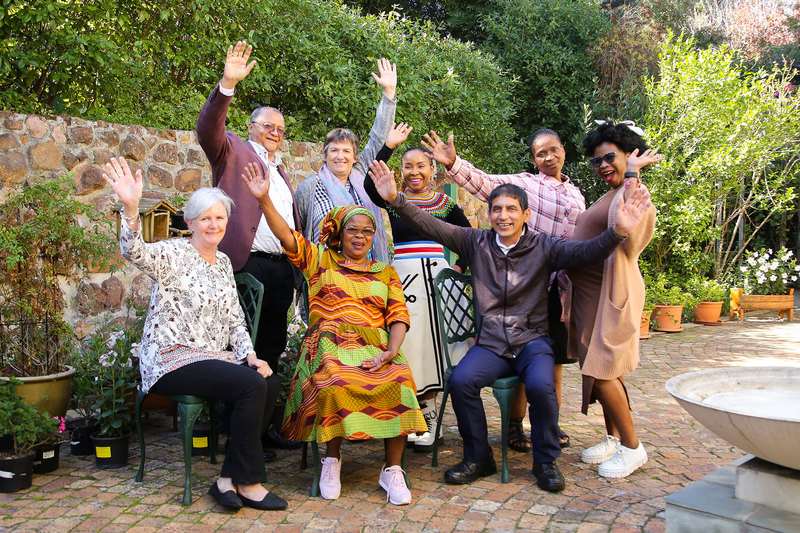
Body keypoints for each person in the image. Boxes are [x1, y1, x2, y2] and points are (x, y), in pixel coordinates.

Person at [367, 159, 653, 492]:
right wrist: (396, 200)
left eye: (512, 209)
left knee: (542, 388)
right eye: (497, 209)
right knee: (461, 381)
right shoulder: (475, 243)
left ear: (526, 215)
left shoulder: (545, 247)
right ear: (490, 215)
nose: (504, 215)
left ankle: (545, 462)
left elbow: (586, 252)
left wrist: (617, 232)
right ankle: (478, 456)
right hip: (491, 345)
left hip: (532, 342)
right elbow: (432, 226)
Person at [102, 157, 286, 511]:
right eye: (205, 218)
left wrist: (249, 354)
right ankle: (249, 482)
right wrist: (130, 208)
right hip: (171, 358)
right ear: (190, 222)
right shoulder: (173, 254)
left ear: (227, 223)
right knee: (251, 385)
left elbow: (236, 321)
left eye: (219, 218)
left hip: (213, 358)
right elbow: (134, 251)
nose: (213, 224)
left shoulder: (224, 265)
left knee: (269, 381)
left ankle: (228, 478)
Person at [241, 163, 427, 505]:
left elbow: (398, 315)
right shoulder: (319, 259)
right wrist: (265, 199)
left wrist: (391, 351)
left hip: (375, 346)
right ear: (339, 233)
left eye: (367, 231)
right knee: (335, 381)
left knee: (400, 380)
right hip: (327, 344)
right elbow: (286, 236)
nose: (360, 236)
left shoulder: (384, 272)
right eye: (352, 230)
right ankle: (332, 459)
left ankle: (392, 470)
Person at [421, 130, 586, 451]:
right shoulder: (527, 185)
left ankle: (549, 425)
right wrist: (453, 163)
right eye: (541, 153)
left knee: (552, 365)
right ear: (533, 158)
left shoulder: (576, 195)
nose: (548, 157)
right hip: (525, 288)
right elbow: (484, 183)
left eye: (553, 151)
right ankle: (514, 427)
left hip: (559, 291)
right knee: (527, 362)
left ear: (563, 151)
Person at [195, 41, 302, 454]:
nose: (274, 132)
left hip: (281, 269)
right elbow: (208, 130)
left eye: (280, 129)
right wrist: (227, 84)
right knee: (242, 349)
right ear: (251, 126)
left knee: (273, 347)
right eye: (267, 126)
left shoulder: (281, 171)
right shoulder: (233, 150)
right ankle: (235, 434)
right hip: (245, 265)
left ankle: (263, 431)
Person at [363, 125, 473, 451]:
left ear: (432, 170)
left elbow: (470, 239)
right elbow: (371, 184)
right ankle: (413, 414)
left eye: (420, 166)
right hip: (406, 281)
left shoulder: (445, 203)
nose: (414, 172)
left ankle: (432, 415)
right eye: (407, 167)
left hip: (439, 281)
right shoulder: (394, 199)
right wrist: (388, 147)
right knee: (409, 345)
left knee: (439, 346)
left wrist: (457, 268)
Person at [568, 121, 658, 479]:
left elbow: (631, 234)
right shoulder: (611, 193)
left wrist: (634, 173)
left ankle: (633, 448)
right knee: (606, 370)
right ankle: (614, 437)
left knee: (603, 369)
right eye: (596, 160)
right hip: (592, 295)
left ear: (628, 155)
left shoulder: (634, 194)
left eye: (610, 157)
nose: (602, 165)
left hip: (612, 291)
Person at [294, 59, 398, 263]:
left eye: (346, 151)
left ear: (355, 156)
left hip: (368, 269)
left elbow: (379, 136)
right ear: (325, 155)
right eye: (334, 150)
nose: (340, 156)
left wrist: (389, 93)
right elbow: (300, 229)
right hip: (326, 274)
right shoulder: (309, 188)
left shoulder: (363, 175)